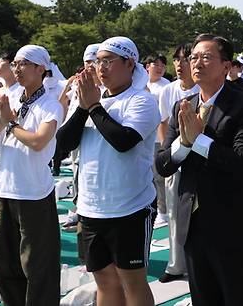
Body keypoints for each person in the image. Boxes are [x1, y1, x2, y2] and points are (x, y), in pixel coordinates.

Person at [156, 34, 243, 306]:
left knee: (234, 296)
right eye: (193, 57)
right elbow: (162, 164)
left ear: (226, 66)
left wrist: (200, 141)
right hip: (192, 221)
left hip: (230, 221)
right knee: (202, 297)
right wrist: (185, 142)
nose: (197, 63)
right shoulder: (183, 106)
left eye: (206, 57)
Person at [57, 36, 159, 306]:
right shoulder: (89, 100)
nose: (100, 68)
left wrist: (93, 107)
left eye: (108, 61)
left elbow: (123, 141)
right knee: (103, 279)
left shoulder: (141, 100)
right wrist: (83, 107)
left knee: (132, 280)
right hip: (91, 207)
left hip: (131, 207)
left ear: (129, 63)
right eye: (97, 61)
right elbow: (62, 144)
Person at [0, 45, 64, 306]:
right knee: (4, 263)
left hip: (34, 192)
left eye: (24, 63)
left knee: (38, 265)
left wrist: (11, 124)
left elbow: (39, 141)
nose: (17, 69)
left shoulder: (51, 104)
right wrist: (3, 121)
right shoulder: (11, 99)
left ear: (41, 69)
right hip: (6, 189)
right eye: (15, 63)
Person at [155, 43, 200, 283]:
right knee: (173, 214)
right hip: (176, 160)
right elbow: (164, 125)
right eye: (177, 60)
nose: (180, 65)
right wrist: (167, 154)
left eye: (185, 59)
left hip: (202, 163)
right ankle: (175, 265)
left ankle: (199, 264)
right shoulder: (168, 91)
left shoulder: (204, 90)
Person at [144, 54, 171, 225]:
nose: (160, 68)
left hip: (157, 138)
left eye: (162, 65)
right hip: (142, 137)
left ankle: (163, 210)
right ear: (147, 67)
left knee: (159, 175)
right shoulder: (138, 83)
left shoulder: (165, 86)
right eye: (156, 64)